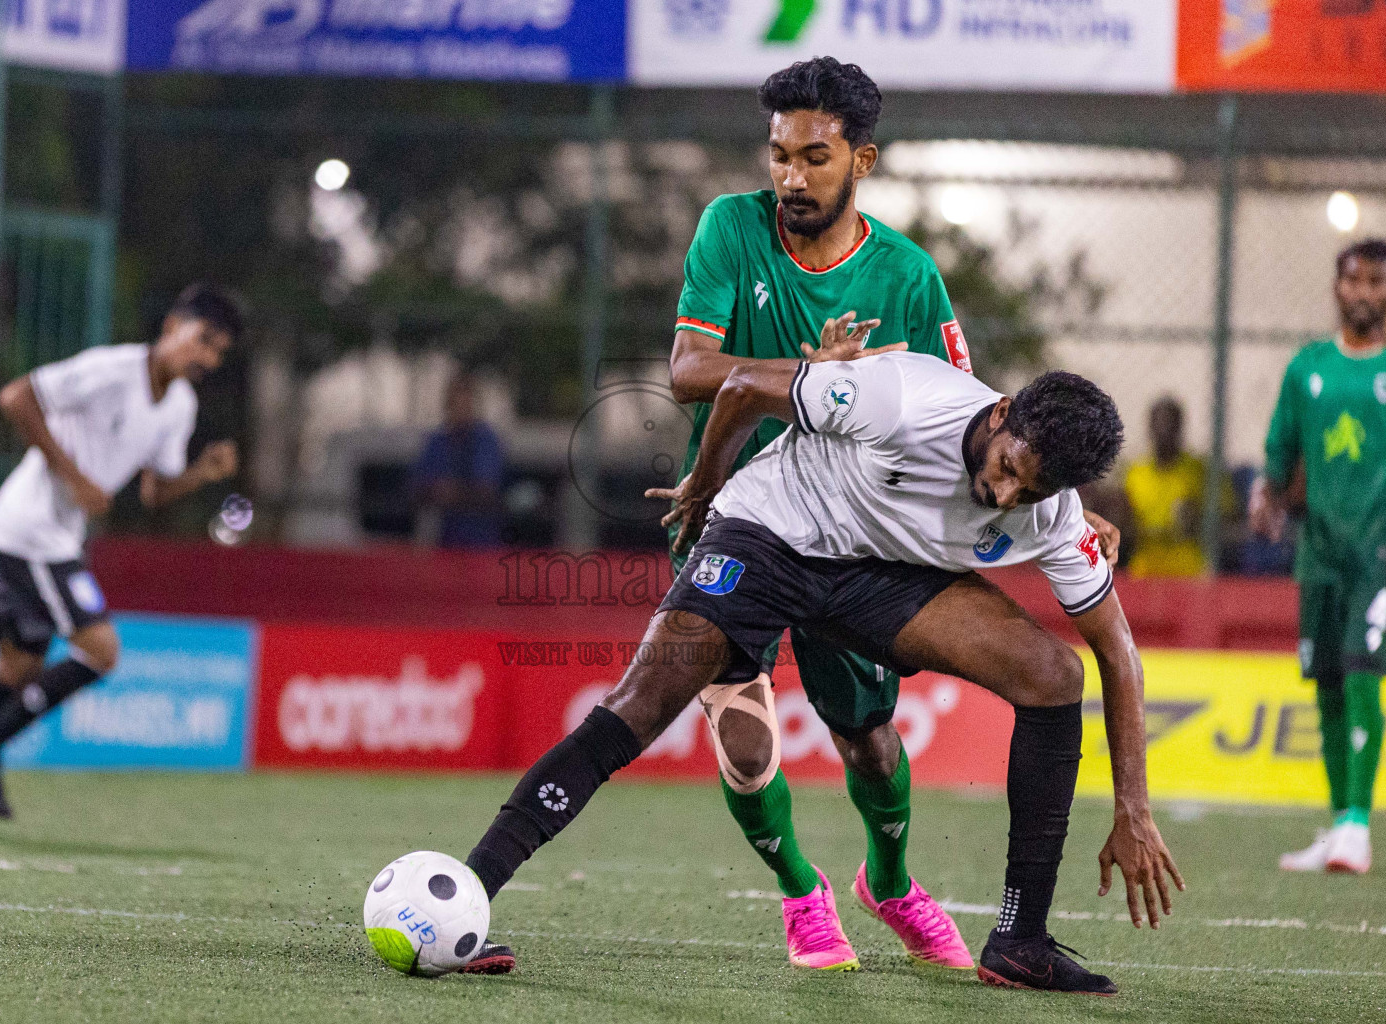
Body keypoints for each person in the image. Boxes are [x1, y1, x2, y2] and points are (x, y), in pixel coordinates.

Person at [461, 331, 1183, 996]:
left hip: (879, 576)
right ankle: (470, 890)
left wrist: (1133, 810)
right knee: (642, 706)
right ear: (998, 417)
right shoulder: (901, 397)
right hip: (769, 535)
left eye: (1031, 491)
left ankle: (1020, 940)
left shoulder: (1050, 510)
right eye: (1008, 471)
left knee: (1054, 676)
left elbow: (1119, 656)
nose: (1004, 496)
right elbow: (741, 386)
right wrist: (709, 486)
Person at [649, 55, 1122, 974]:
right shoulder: (729, 230)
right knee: (744, 741)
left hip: (856, 535)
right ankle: (800, 893)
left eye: (813, 156)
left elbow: (982, 412)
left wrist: (1068, 501)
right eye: (779, 154)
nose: (789, 175)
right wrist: (815, 376)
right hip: (740, 515)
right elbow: (687, 374)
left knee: (867, 740)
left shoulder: (907, 276)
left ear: (861, 160)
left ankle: (893, 882)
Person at [0, 284, 243, 828]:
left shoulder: (180, 406)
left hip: (44, 536)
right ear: (173, 326)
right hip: (31, 529)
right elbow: (15, 397)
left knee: (17, 669)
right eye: (204, 340)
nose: (208, 358)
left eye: (219, 352)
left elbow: (153, 492)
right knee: (102, 649)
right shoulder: (112, 370)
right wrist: (73, 476)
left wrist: (200, 475)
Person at [1251, 238, 1386, 875]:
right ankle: (1339, 821)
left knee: (1360, 672)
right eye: (1355, 279)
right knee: (1324, 681)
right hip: (1319, 549)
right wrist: (1265, 496)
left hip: (1381, 547)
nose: (1366, 292)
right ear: (1337, 287)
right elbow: (1280, 447)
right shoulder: (1308, 367)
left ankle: (1358, 825)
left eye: (1379, 282)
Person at [1122, 396, 1227, 577]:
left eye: (1170, 425)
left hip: (1188, 567)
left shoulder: (1198, 471)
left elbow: (1228, 516)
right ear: (1150, 429)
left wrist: (1199, 517)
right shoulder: (1135, 473)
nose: (1164, 432)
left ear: (1180, 429)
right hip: (1145, 567)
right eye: (1159, 425)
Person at [412, 373, 505, 549]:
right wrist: (435, 491)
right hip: (445, 544)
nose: (461, 409)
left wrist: (453, 492)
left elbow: (487, 491)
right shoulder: (437, 441)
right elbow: (417, 489)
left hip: (481, 546)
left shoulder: (485, 440)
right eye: (456, 402)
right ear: (447, 405)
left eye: (466, 402)